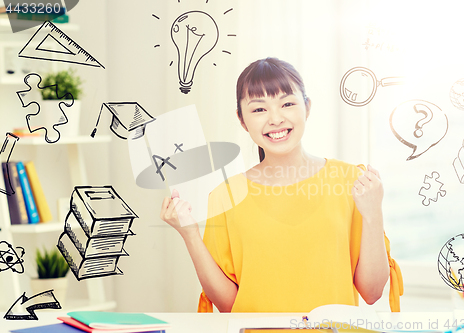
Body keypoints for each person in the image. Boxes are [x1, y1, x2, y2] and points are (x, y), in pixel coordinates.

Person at [160, 57, 403, 313]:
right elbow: (228, 304)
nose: (275, 119)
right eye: (259, 109)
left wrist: (373, 212)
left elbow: (372, 292)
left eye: (287, 103)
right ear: (241, 120)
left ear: (307, 107)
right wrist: (189, 233)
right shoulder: (225, 195)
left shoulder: (350, 181)